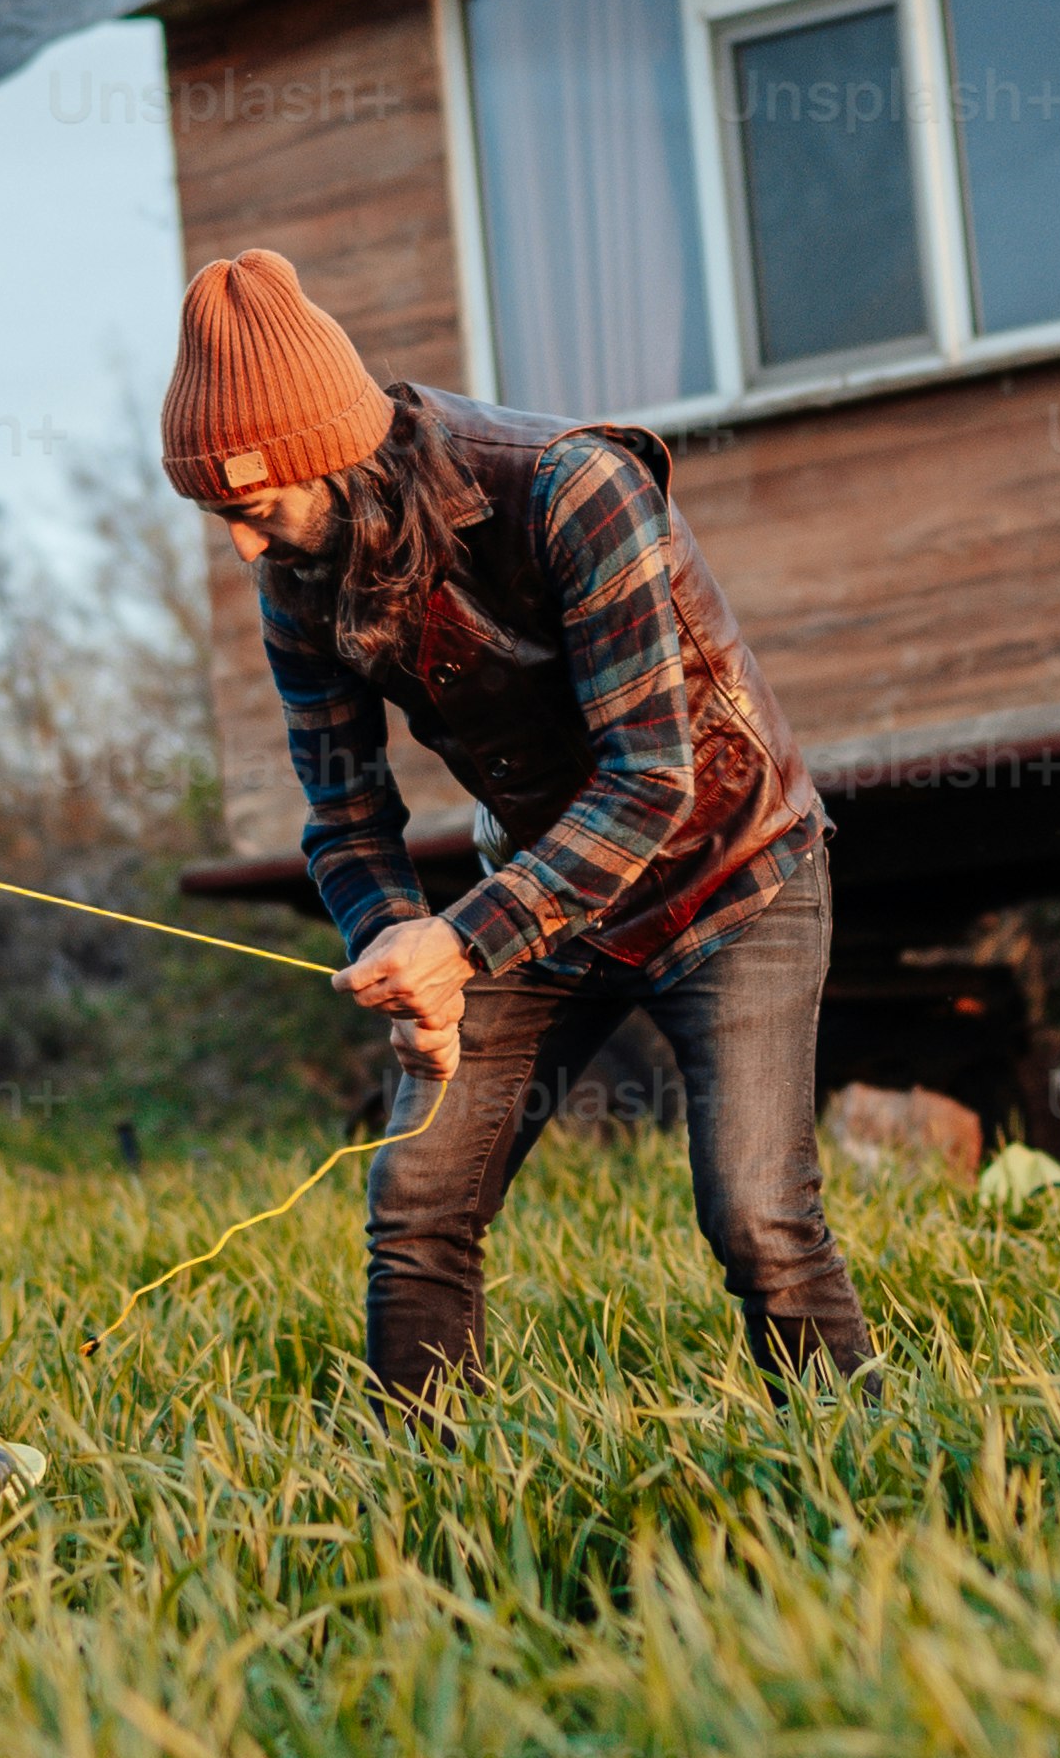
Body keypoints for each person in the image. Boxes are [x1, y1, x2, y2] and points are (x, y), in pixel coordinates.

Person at [162, 246, 876, 1407]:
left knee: (756, 1214)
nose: (241, 544)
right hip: (546, 902)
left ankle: (871, 1457)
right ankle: (425, 1497)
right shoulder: (296, 571)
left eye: (247, 507)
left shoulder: (569, 488)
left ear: (330, 457)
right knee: (416, 1194)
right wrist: (403, 949)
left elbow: (652, 780)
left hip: (730, 875)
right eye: (214, 516)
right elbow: (343, 812)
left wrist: (464, 940)